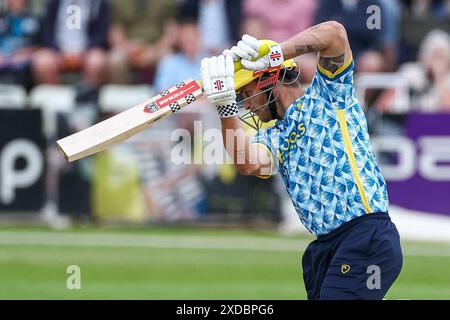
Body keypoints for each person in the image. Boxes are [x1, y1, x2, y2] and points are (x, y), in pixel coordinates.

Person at [200, 21, 403, 299]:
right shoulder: (273, 135)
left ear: (268, 79)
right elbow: (248, 163)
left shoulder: (330, 93)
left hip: (365, 235)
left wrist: (276, 53)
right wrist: (224, 108)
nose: (246, 105)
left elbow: (335, 33)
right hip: (324, 249)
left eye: (246, 94)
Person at [32, 0, 110, 98]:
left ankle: (88, 100)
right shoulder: (53, 3)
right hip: (58, 51)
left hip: (87, 51)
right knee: (42, 62)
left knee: (97, 61)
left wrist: (83, 53)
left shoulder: (98, 3)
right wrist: (59, 52)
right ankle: (57, 102)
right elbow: (47, 33)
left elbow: (101, 35)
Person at [0, 0, 40, 88]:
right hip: (3, 56)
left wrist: (24, 53)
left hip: (24, 57)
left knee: (22, 64)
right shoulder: (3, 18)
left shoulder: (34, 19)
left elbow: (40, 45)